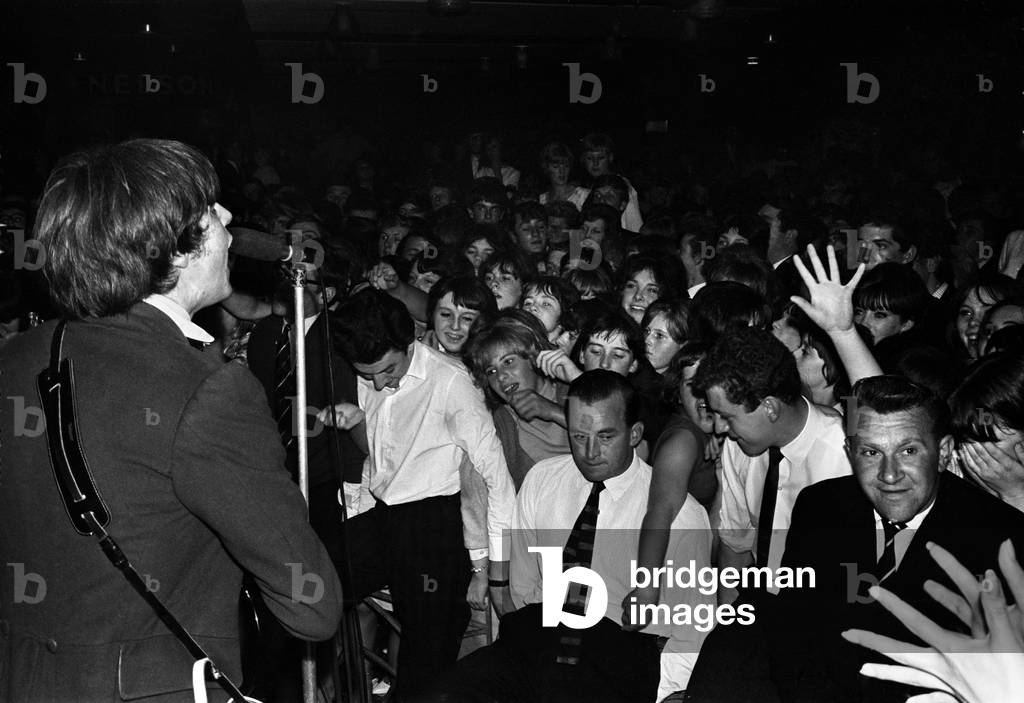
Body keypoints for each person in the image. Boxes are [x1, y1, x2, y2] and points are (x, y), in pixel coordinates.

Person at [0, 139, 342, 701]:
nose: (229, 216)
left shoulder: (14, 360)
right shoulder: (206, 387)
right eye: (211, 208)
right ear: (177, 250)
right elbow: (312, 607)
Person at [425, 371, 714, 703]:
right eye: (579, 436)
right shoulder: (543, 479)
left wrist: (660, 694)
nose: (590, 451)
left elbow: (691, 630)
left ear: (634, 434)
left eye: (606, 437)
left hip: (619, 654)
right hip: (536, 637)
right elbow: (523, 588)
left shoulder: (681, 514)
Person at [765, 375, 1024, 703]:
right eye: (871, 452)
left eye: (909, 450)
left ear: (943, 453)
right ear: (850, 452)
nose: (890, 474)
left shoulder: (1000, 536)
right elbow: (792, 631)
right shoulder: (820, 507)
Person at [329, 288, 516, 700]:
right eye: (367, 375)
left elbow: (495, 479)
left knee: (424, 669)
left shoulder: (451, 383)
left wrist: (491, 569)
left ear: (409, 340)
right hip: (385, 517)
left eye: (388, 370)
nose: (380, 382)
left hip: (437, 528)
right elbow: (378, 458)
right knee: (307, 579)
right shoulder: (369, 371)